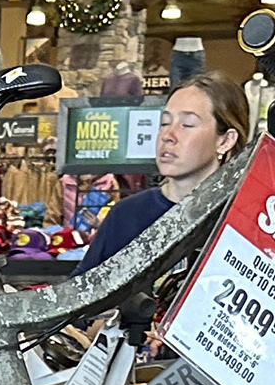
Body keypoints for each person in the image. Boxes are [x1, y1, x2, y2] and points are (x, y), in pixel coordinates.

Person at [74, 73, 252, 274]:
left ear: (225, 141)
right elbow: (78, 298)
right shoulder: (125, 215)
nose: (168, 136)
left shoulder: (248, 223)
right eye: (165, 123)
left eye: (187, 125)